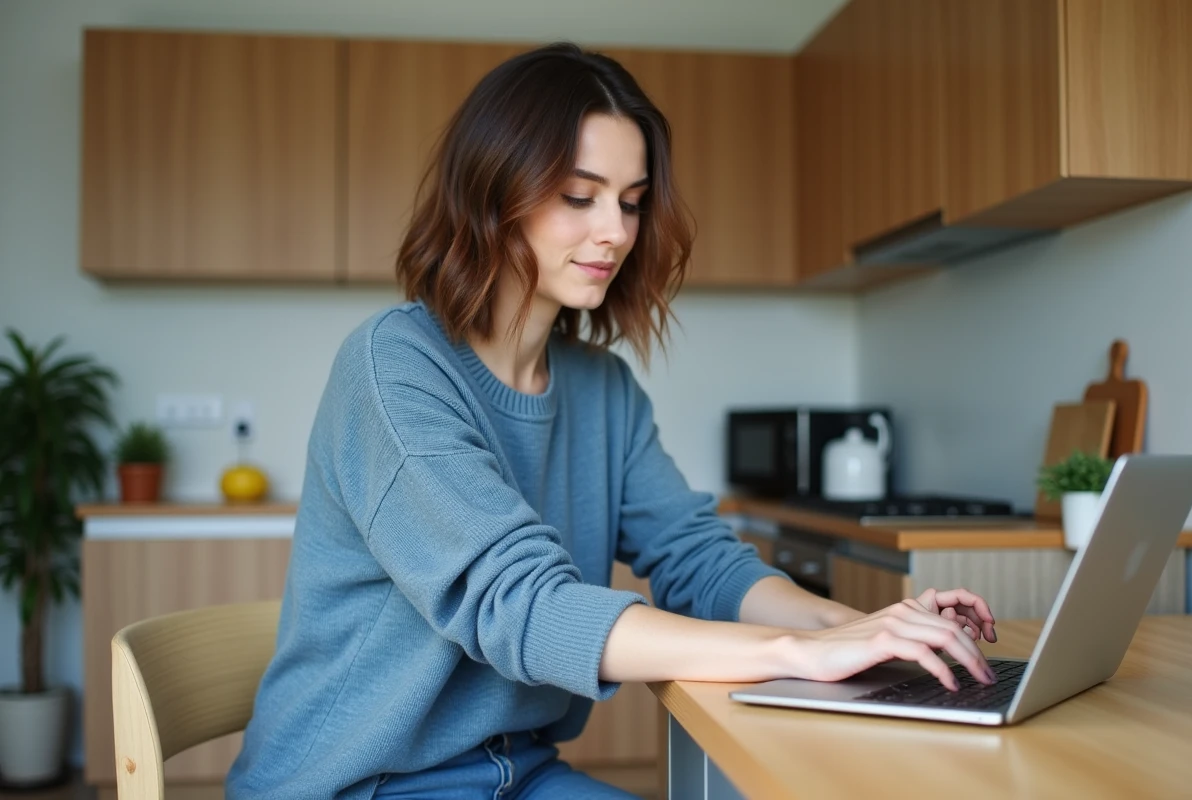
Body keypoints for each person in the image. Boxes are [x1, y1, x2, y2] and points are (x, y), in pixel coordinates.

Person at [226, 42, 999, 800]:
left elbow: (700, 561)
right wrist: (800, 649)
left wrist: (871, 629)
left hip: (516, 773)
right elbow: (524, 608)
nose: (617, 232)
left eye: (630, 202)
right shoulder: (393, 366)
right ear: (493, 190)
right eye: (578, 196)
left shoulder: (603, 390)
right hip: (359, 783)